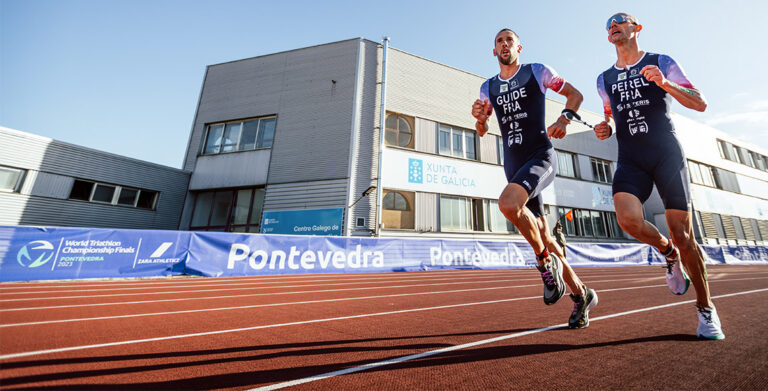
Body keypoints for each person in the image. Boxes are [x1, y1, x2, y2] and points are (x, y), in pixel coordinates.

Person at [594, 13, 724, 339]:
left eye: (621, 20)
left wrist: (665, 83)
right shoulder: (604, 78)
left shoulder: (660, 61)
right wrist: (604, 127)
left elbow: (701, 103)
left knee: (683, 233)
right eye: (609, 22)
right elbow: (610, 116)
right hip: (631, 158)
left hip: (666, 153)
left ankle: (706, 310)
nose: (614, 24)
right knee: (628, 220)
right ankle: (668, 253)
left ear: (637, 29)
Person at [472, 28, 597, 329]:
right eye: (499, 42)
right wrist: (479, 117)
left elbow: (574, 95)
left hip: (541, 156)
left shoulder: (537, 71)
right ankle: (582, 294)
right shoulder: (487, 88)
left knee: (507, 203)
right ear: (494, 51)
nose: (504, 45)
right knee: (547, 238)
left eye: (509, 41)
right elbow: (482, 128)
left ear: (519, 47)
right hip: (513, 165)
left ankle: (543, 264)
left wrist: (564, 118)